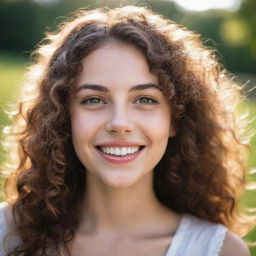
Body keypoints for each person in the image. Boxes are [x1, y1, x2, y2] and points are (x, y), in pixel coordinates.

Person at [0, 5, 254, 256]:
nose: (120, 123)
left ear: (175, 118)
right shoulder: (6, 234)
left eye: (145, 99)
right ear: (63, 117)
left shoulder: (218, 251)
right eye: (94, 100)